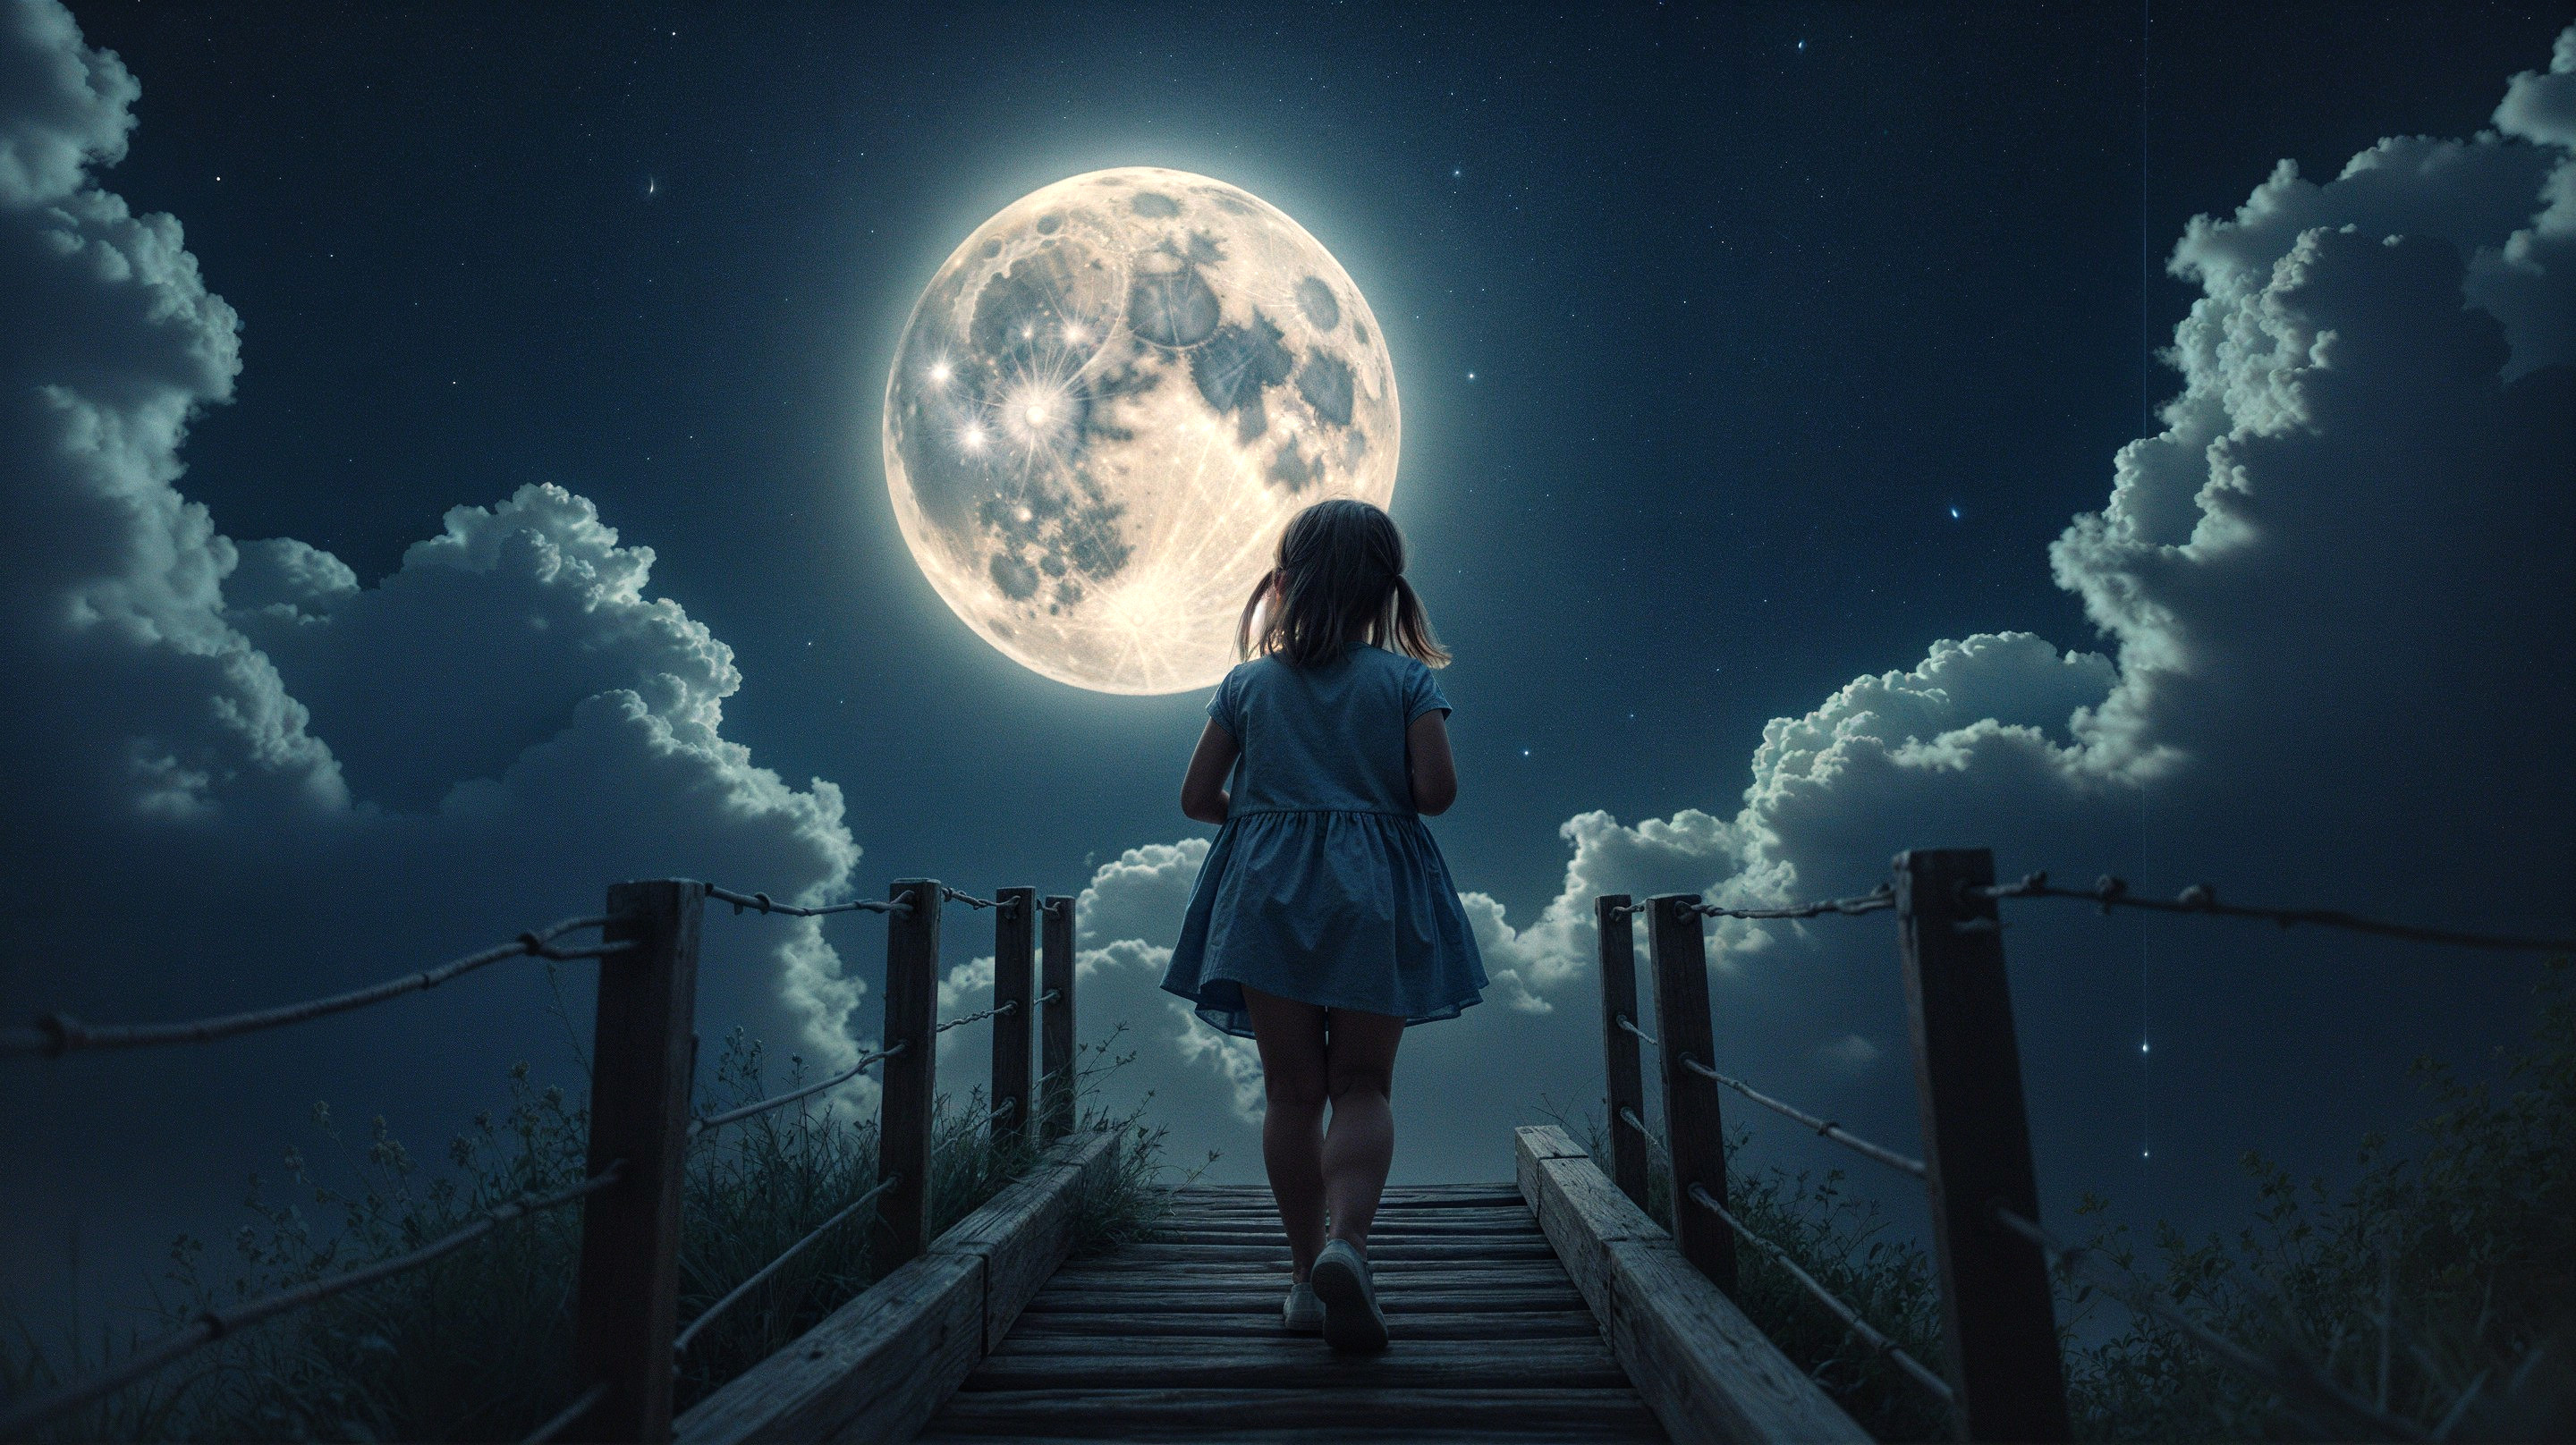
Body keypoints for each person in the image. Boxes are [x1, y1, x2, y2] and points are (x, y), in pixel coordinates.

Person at [1161, 497, 1488, 1354]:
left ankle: (1305, 1278)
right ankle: (1350, 1245)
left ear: (1287, 581)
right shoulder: (1408, 680)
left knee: (1291, 1092)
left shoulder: (1246, 684)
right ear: (1387, 588)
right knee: (1364, 1085)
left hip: (1265, 895)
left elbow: (1196, 799)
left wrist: (1267, 818)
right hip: (1373, 894)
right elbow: (1437, 794)